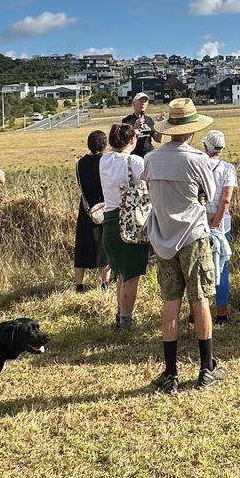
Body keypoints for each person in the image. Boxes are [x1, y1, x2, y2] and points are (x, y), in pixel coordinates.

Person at [142, 99, 225, 393]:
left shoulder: (151, 158)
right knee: (199, 298)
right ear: (191, 130)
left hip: (162, 236)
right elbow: (209, 194)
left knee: (170, 302)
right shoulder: (197, 158)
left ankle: (170, 372)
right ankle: (206, 368)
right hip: (192, 235)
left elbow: (148, 188)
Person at [99, 122, 151, 330]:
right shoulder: (135, 161)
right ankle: (126, 321)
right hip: (130, 221)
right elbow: (148, 181)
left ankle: (120, 316)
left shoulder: (104, 160)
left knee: (121, 273)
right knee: (132, 276)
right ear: (132, 140)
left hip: (109, 220)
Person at [202, 130, 237, 325]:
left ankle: (198, 311)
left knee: (198, 269)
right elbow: (226, 200)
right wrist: (216, 223)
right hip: (222, 225)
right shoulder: (228, 168)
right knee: (221, 268)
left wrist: (207, 220)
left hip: (199, 223)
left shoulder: (198, 165)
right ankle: (221, 314)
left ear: (206, 146)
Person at [73, 129, 111, 292]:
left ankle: (79, 285)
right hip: (104, 207)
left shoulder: (80, 163)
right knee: (104, 248)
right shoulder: (106, 162)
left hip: (86, 208)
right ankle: (104, 284)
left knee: (82, 247)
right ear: (104, 145)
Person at [120, 92, 162, 157]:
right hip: (134, 156)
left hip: (148, 155)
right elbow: (124, 141)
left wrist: (161, 125)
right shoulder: (127, 121)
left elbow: (158, 139)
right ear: (134, 103)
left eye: (145, 101)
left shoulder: (149, 120)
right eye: (141, 101)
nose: (143, 103)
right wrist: (135, 127)